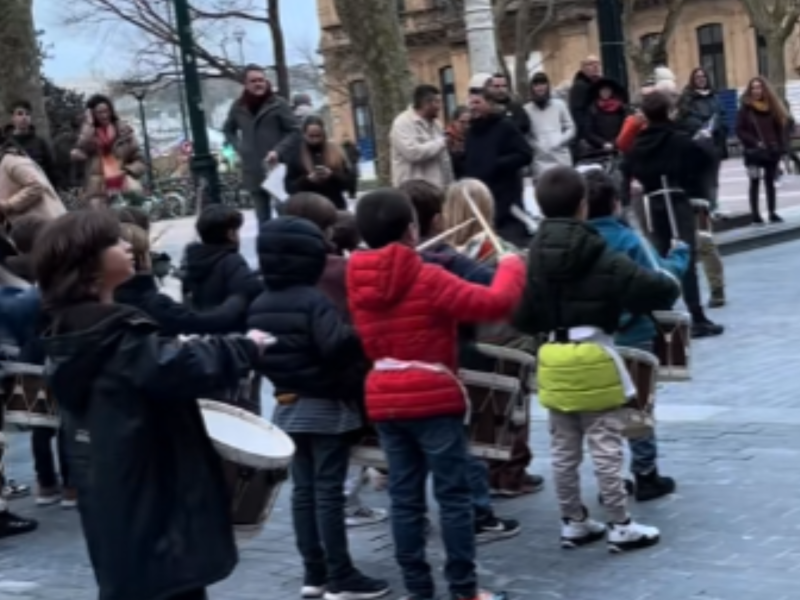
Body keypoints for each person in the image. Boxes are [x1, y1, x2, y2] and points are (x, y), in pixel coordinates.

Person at [35, 210, 271, 600]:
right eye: (114, 241)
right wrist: (246, 347)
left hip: (121, 500)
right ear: (88, 263)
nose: (127, 245)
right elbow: (179, 365)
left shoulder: (77, 330)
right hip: (154, 505)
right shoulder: (114, 335)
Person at [347, 188, 525, 600]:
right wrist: (512, 266)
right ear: (411, 230)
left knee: (405, 500)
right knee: (453, 497)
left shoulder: (358, 277)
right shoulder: (425, 276)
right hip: (432, 395)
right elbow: (495, 302)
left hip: (385, 398)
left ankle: (418, 591)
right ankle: (464, 590)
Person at [513, 166, 680, 551]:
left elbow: (522, 316)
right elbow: (652, 289)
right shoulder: (596, 249)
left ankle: (573, 520)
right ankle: (620, 524)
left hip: (553, 357)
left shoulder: (534, 255)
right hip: (594, 354)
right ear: (582, 205)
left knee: (563, 448)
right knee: (605, 444)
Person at [247, 216, 389, 600]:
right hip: (327, 408)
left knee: (303, 493)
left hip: (287, 407)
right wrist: (360, 340)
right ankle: (341, 574)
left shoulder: (259, 302)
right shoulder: (313, 301)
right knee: (328, 493)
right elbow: (335, 348)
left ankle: (314, 575)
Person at [404, 178, 544, 501]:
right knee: (512, 408)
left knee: (474, 414)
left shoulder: (435, 255)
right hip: (505, 343)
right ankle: (509, 473)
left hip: (462, 346)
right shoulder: (497, 252)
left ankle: (484, 471)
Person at [585, 170, 687, 501]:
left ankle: (609, 479)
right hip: (634, 333)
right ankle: (645, 474)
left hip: (592, 335)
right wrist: (679, 257)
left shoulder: (576, 242)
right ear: (616, 204)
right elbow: (660, 281)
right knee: (637, 406)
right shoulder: (630, 241)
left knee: (601, 412)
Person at [620, 91, 723, 338]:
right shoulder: (678, 140)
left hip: (651, 205)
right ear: (667, 113)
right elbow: (703, 160)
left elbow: (626, 168)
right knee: (685, 258)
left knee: (659, 261)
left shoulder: (638, 144)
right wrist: (705, 143)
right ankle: (696, 316)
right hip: (676, 202)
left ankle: (663, 317)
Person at [114, 222, 249, 337]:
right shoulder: (153, 303)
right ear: (142, 258)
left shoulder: (110, 300)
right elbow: (204, 322)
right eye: (148, 252)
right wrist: (237, 300)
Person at [223, 65, 299, 223]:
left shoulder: (278, 104)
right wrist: (240, 147)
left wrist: (278, 151)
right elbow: (228, 130)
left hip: (277, 169)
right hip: (253, 170)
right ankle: (266, 246)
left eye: (261, 80)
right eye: (253, 81)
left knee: (285, 214)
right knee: (262, 219)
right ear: (245, 84)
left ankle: (287, 245)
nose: (259, 84)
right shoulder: (238, 107)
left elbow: (295, 131)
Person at [463, 89, 533, 248]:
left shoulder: (505, 126)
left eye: (477, 103)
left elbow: (526, 154)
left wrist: (497, 164)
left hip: (507, 202)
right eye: (470, 103)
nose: (473, 107)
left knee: (512, 248)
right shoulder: (471, 133)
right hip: (481, 203)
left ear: (489, 104)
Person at [180, 204, 262, 313]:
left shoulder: (191, 261)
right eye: (237, 231)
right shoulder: (232, 262)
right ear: (231, 234)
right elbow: (251, 292)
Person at [71, 94, 146, 207]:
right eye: (99, 112)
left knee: (129, 219)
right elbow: (81, 148)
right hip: (97, 192)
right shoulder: (88, 135)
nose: (104, 115)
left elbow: (140, 160)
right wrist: (89, 124)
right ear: (92, 114)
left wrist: (128, 171)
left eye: (106, 111)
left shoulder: (124, 133)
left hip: (124, 187)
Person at [736, 76, 788, 224]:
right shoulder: (745, 109)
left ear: (764, 89)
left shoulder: (772, 107)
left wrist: (780, 147)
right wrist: (754, 142)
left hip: (771, 151)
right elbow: (739, 130)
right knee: (754, 182)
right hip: (753, 153)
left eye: (759, 87)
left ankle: (772, 212)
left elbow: (779, 128)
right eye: (753, 88)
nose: (756, 90)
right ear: (749, 90)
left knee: (770, 182)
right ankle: (756, 215)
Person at [676, 68, 728, 212]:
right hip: (697, 145)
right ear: (693, 79)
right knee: (701, 177)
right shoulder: (687, 98)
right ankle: (705, 207)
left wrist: (715, 128)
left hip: (714, 144)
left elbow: (722, 116)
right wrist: (701, 128)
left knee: (714, 177)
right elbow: (684, 119)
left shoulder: (714, 97)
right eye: (698, 77)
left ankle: (713, 205)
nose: (701, 79)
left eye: (703, 76)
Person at [390, 84, 452, 188]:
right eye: (437, 102)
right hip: (412, 191)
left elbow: (444, 159)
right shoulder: (402, 123)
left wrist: (449, 184)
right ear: (425, 103)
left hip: (436, 189)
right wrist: (441, 143)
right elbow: (413, 153)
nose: (440, 106)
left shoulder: (437, 124)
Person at [285, 116, 352, 210]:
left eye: (318, 136)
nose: (315, 140)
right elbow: (289, 188)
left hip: (335, 206)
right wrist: (307, 180)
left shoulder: (336, 152)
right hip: (308, 209)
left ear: (323, 134)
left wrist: (332, 175)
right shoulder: (296, 154)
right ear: (304, 134)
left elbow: (349, 182)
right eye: (311, 136)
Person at [0, 138, 66, 227]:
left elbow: (37, 185)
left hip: (46, 225)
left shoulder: (12, 160)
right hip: (28, 228)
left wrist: (10, 205)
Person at [524, 72, 575, 178]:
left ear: (548, 86)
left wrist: (560, 140)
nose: (540, 88)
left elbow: (571, 127)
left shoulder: (559, 105)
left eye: (542, 84)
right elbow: (525, 134)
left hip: (561, 157)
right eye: (536, 85)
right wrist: (536, 145)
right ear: (532, 88)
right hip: (540, 160)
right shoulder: (527, 109)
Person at [5, 100, 58, 186]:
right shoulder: (4, 144)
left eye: (27, 114)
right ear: (13, 118)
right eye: (20, 114)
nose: (24, 117)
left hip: (37, 188)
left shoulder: (40, 143)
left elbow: (51, 169)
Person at [584, 78, 629, 154]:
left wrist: (614, 142)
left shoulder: (620, 108)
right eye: (602, 90)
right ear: (599, 92)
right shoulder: (592, 109)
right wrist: (603, 143)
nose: (605, 93)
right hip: (598, 150)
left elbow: (625, 127)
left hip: (619, 147)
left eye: (607, 90)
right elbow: (588, 131)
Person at [567, 55, 602, 154]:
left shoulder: (599, 84)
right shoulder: (580, 86)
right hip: (588, 137)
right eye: (590, 64)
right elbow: (577, 113)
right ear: (583, 68)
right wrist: (584, 136)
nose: (595, 66)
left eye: (597, 63)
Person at [446, 105, 470, 179]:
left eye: (469, 122)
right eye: (462, 122)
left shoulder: (472, 137)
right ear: (454, 121)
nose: (466, 126)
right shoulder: (447, 138)